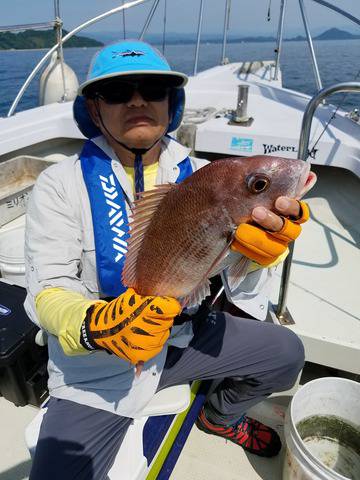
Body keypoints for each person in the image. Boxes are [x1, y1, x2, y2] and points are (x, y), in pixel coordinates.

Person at [24, 40, 309, 480]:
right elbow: (47, 289)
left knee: (287, 354)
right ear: (95, 110)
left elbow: (236, 283)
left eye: (153, 89)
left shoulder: (205, 177)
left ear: (171, 103)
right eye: (118, 92)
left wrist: (258, 257)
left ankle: (219, 417)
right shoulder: (58, 184)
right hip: (95, 369)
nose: (138, 99)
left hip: (185, 336)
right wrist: (97, 325)